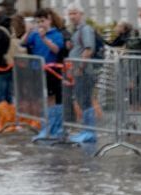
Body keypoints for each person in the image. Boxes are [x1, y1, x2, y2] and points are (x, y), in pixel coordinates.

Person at [23, 8, 66, 141]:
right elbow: (23, 43)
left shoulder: (56, 33)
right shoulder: (34, 34)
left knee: (51, 99)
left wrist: (44, 38)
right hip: (37, 70)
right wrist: (28, 31)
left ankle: (54, 129)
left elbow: (56, 49)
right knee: (42, 99)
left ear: (49, 20)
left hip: (51, 71)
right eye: (38, 21)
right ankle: (45, 127)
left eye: (43, 21)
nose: (40, 24)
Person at [66, 3, 98, 144]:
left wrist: (80, 67)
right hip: (78, 71)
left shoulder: (86, 30)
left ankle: (89, 132)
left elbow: (88, 49)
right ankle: (86, 130)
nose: (72, 16)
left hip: (84, 72)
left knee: (85, 101)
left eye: (75, 13)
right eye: (70, 14)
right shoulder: (76, 31)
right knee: (82, 100)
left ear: (81, 14)